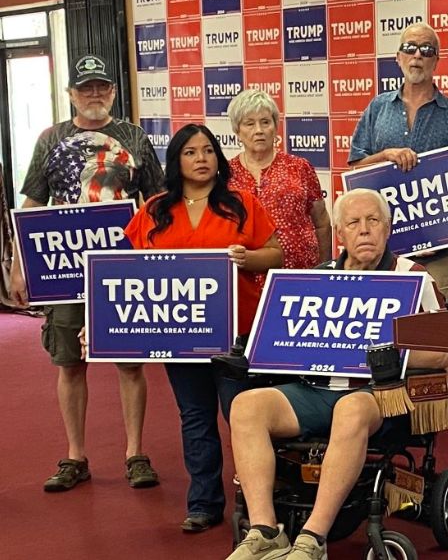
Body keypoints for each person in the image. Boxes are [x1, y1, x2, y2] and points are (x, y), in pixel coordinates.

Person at [225, 189, 448, 560]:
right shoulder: (319, 277)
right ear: (339, 235)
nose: (364, 231)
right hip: (315, 389)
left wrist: (374, 349)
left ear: (388, 229)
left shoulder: (413, 277)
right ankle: (265, 530)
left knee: (351, 409)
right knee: (246, 406)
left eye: (373, 221)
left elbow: (441, 354)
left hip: (378, 396)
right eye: (354, 223)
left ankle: (313, 538)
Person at [10, 54, 164, 492]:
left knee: (130, 363)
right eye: (86, 88)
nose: (94, 95)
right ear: (72, 94)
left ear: (113, 92)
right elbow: (34, 206)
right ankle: (75, 456)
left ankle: (135, 453)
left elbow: (156, 203)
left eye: (102, 87)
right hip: (65, 272)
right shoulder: (50, 138)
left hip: (124, 269)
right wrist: (21, 267)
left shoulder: (133, 136)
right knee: (69, 362)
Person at [124, 124, 282, 532]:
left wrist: (248, 259)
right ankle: (204, 503)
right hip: (179, 338)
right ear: (176, 160)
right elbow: (125, 272)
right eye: (191, 152)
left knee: (242, 416)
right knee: (195, 417)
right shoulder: (155, 209)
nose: (201, 159)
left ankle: (260, 500)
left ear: (219, 158)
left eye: (208, 151)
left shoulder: (242, 203)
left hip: (236, 333)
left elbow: (277, 254)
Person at [347, 22, 448, 430]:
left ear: (436, 61)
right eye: (410, 48)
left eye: (426, 50)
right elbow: (355, 168)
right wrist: (386, 156)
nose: (417, 56)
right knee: (383, 321)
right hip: (385, 248)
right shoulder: (377, 109)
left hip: (441, 250)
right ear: (398, 57)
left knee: (439, 324)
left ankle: (444, 399)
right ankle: (385, 399)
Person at [227, 89, 331, 270]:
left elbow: (322, 223)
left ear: (276, 127)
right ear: (237, 130)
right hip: (246, 276)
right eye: (249, 124)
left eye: (265, 122)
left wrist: (325, 270)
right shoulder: (226, 173)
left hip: (300, 273)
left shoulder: (299, 167)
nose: (258, 130)